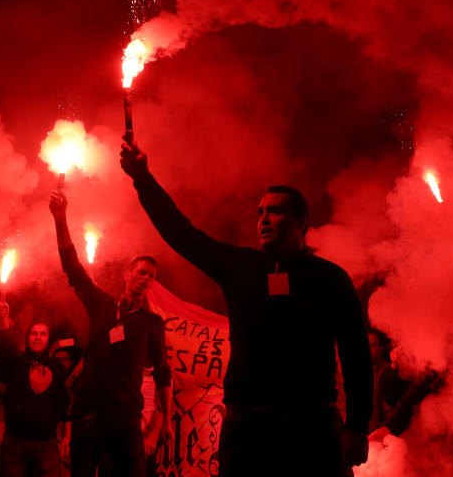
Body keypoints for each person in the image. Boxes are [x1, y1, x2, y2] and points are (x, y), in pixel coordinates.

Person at [119, 141, 373, 477]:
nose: (264, 219)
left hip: (312, 428)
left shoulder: (329, 279)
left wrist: (356, 427)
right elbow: (182, 234)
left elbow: (356, 356)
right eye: (260, 212)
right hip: (248, 429)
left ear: (300, 221)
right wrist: (143, 180)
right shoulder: (241, 268)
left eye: (275, 211)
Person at [49, 190, 172, 477]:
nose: (146, 279)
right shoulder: (102, 305)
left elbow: (163, 372)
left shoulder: (151, 323)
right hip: (88, 415)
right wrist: (59, 219)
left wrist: (165, 420)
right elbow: (73, 269)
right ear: (126, 275)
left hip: (126, 420)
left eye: (151, 276)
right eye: (141, 272)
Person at [0, 321, 70, 477]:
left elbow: (63, 400)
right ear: (28, 337)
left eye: (43, 334)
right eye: (34, 333)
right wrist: (4, 324)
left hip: (46, 442)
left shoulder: (56, 366)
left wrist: (67, 434)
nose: (38, 338)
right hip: (15, 440)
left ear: (49, 339)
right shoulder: (17, 362)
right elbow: (5, 352)